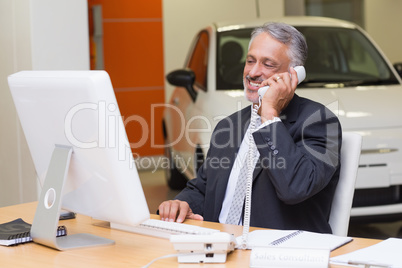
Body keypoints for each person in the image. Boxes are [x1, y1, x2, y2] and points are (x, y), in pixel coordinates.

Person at [159, 22, 342, 233]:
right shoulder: (228, 126)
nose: (253, 72)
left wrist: (270, 115)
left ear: (293, 75)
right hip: (221, 250)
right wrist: (182, 203)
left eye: (268, 64)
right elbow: (203, 188)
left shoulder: (319, 122)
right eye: (250, 61)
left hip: (278, 254)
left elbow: (295, 187)